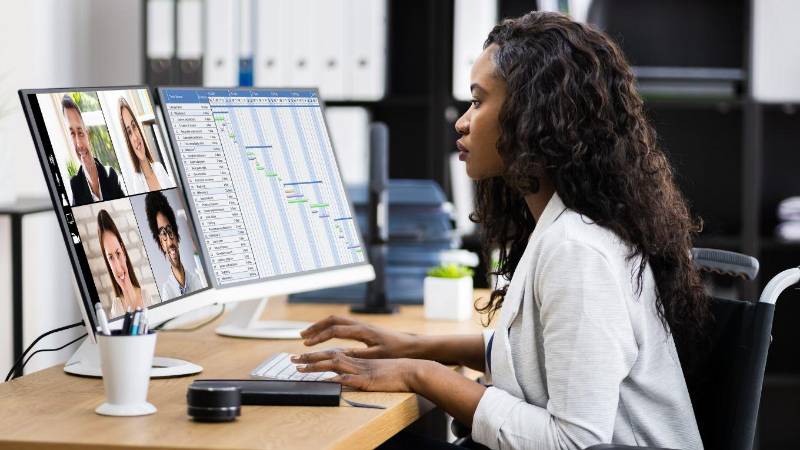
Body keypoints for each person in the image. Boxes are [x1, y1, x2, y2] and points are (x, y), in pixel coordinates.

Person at [291, 11, 707, 450]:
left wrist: (421, 373)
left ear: (535, 116)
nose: (462, 122)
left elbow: (574, 442)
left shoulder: (577, 251)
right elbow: (538, 354)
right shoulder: (562, 226)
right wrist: (417, 346)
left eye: (478, 101)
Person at [62, 95, 126, 206]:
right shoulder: (75, 187)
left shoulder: (110, 175)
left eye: (80, 132)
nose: (79, 143)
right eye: (72, 134)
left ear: (88, 134)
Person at [144, 191, 205, 299]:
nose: (169, 241)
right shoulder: (167, 292)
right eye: (163, 233)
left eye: (170, 230)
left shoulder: (199, 280)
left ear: (176, 236)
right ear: (161, 244)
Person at [97, 209, 153, 317]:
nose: (118, 267)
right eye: (110, 257)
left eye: (118, 253)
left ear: (123, 251)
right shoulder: (116, 308)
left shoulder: (145, 296)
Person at [118, 97, 175, 193]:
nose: (135, 137)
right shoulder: (137, 183)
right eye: (129, 132)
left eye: (134, 126)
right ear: (127, 142)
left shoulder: (159, 168)